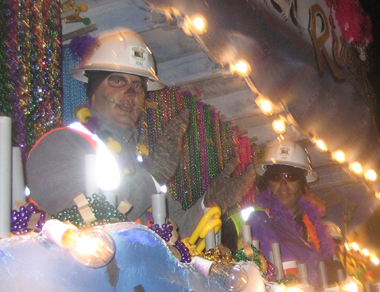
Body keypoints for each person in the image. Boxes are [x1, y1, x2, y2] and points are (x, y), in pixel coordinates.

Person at [26, 28, 252, 236]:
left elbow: (179, 229)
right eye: (117, 81)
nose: (130, 93)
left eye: (138, 86)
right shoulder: (61, 145)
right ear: (93, 90)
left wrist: (211, 203)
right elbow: (89, 218)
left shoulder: (141, 159)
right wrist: (154, 176)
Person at [221, 138, 336, 287]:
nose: (283, 185)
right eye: (275, 177)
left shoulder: (316, 230)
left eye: (291, 176)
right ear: (267, 182)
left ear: (303, 182)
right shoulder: (246, 219)